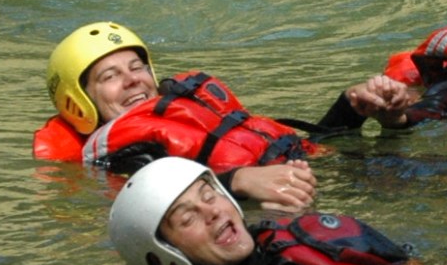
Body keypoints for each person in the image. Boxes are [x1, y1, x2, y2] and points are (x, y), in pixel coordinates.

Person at [34, 21, 320, 214]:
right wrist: (240, 180)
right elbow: (165, 200)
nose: (133, 80)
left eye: (137, 67)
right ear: (78, 103)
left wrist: (351, 108)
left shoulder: (189, 109)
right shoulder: (117, 157)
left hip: (307, 171)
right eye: (110, 76)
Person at [109, 157, 409, 265]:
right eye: (188, 219)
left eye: (209, 196)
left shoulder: (290, 238)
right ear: (165, 253)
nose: (212, 212)